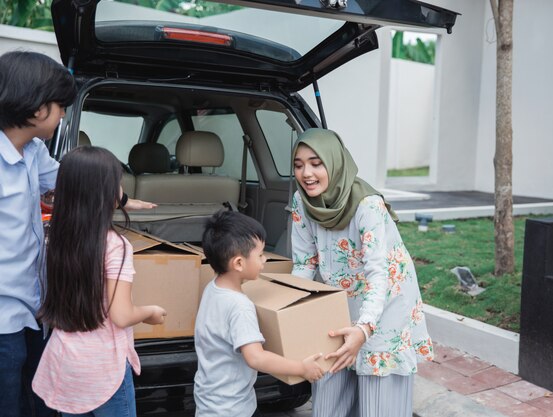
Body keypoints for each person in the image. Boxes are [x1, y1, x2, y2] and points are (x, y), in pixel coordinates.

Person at [0, 50, 154, 417]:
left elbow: (71, 181)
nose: (64, 115)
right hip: (3, 315)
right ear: (38, 110)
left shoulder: (34, 151)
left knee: (38, 402)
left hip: (35, 309)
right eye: (60, 106)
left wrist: (121, 198)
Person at [290, 128, 434, 417]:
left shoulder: (367, 205)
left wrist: (364, 327)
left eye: (316, 163)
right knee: (329, 398)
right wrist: (289, 309)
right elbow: (305, 263)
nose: (306, 173)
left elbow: (378, 275)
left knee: (379, 406)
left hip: (385, 305)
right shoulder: (302, 202)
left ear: (334, 162)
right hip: (339, 303)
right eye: (298, 164)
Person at [31, 146, 167, 416]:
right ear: (105, 193)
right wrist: (150, 313)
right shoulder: (116, 245)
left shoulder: (57, 236)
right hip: (104, 366)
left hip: (65, 360)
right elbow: (121, 315)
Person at [194, 210, 324, 417]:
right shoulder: (240, 305)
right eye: (260, 254)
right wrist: (301, 368)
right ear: (238, 263)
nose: (264, 260)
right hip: (232, 409)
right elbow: (255, 358)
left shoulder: (213, 288)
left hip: (209, 401)